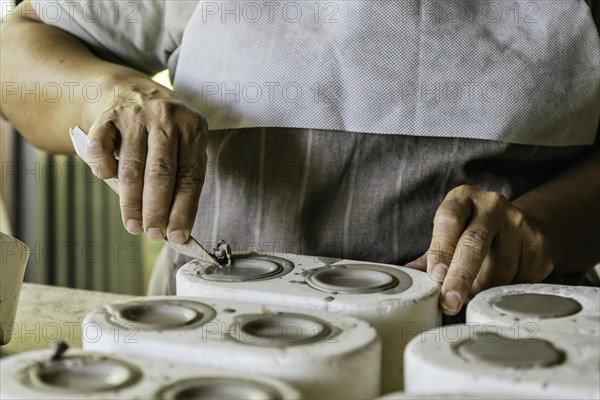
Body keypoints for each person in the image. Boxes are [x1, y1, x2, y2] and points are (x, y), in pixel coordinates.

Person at [1, 0, 599, 316]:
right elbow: (16, 48)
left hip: (502, 353)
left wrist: (543, 226)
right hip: (209, 347)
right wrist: (107, 92)